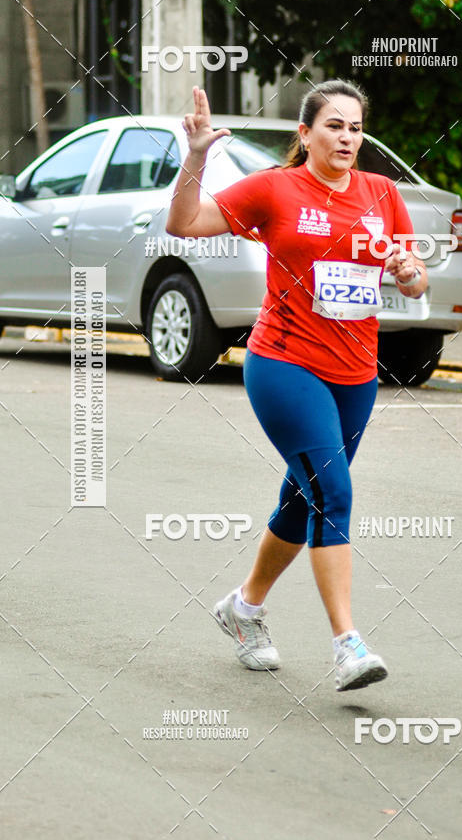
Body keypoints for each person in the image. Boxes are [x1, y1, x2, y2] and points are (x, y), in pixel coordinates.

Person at [166, 80, 427, 691]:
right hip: (284, 363)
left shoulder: (383, 193)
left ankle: (244, 607)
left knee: (304, 498)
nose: (347, 138)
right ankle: (347, 644)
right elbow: (183, 224)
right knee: (333, 492)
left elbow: (415, 280)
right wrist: (197, 156)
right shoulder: (274, 188)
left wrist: (409, 270)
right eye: (334, 126)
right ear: (305, 134)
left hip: (356, 372)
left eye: (355, 128)